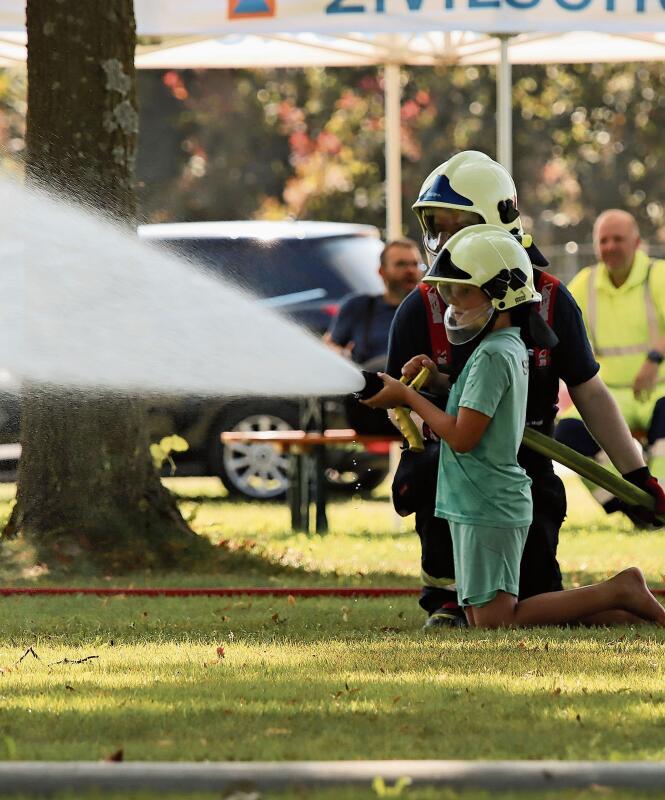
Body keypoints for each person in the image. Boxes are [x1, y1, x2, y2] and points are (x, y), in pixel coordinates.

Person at [382, 151, 665, 628]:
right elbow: (401, 405)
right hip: (451, 469)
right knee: (432, 477)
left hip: (523, 471)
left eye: (455, 226)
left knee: (530, 605)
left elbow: (590, 392)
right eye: (436, 225)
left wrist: (636, 475)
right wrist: (413, 445)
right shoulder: (421, 307)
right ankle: (448, 599)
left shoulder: (550, 299)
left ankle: (620, 596)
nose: (443, 241)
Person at [556, 210, 665, 518]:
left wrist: (655, 358)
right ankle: (629, 507)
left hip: (658, 390)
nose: (611, 246)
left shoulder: (658, 275)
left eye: (618, 239)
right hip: (606, 394)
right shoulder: (584, 283)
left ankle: (661, 503)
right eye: (604, 240)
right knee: (567, 434)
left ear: (637, 243)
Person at [325, 238, 423, 434]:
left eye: (415, 264)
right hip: (371, 409)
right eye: (401, 264)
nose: (411, 270)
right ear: (382, 272)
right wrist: (341, 356)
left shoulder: (432, 310)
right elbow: (330, 345)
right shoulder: (359, 306)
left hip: (420, 404)